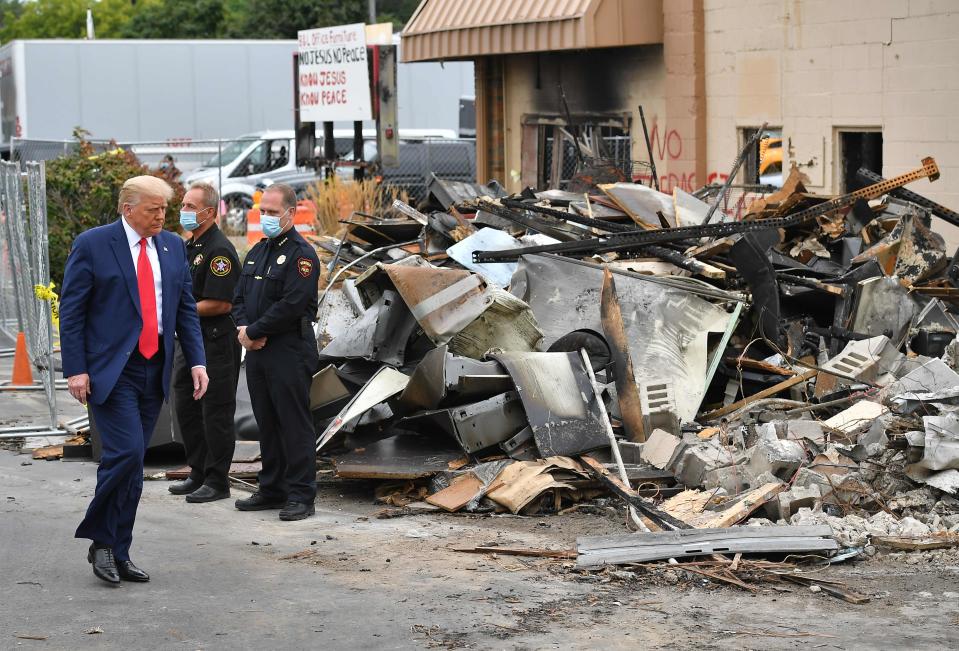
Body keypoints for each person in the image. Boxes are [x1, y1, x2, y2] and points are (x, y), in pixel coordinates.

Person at [60, 175, 209, 585]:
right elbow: (72, 311)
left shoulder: (173, 246)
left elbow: (184, 310)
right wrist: (75, 368)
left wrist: (197, 361)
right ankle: (100, 540)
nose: (162, 216)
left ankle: (117, 550)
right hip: (111, 370)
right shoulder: (93, 244)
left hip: (154, 368)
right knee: (124, 455)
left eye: (164, 209)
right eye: (152, 209)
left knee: (133, 468)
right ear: (128, 209)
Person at [232, 183, 320, 521]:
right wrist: (244, 331)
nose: (266, 217)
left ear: (290, 213)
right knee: (266, 422)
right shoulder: (258, 251)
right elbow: (240, 297)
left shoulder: (301, 255)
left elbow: (292, 304)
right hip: (257, 351)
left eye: (272, 212)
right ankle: (272, 488)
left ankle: (301, 494)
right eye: (262, 212)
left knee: (293, 424)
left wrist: (255, 331)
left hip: (288, 349)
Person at [168, 182, 241, 503]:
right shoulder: (191, 247)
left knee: (215, 412)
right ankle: (197, 470)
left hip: (216, 342)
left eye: (189, 206)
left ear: (209, 212)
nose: (183, 211)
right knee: (186, 406)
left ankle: (217, 480)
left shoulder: (219, 251)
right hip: (191, 341)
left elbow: (221, 303)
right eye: (182, 205)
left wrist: (178, 311)